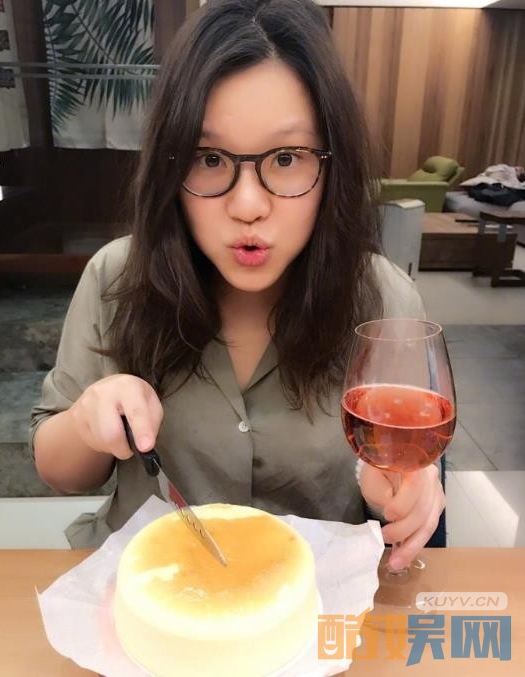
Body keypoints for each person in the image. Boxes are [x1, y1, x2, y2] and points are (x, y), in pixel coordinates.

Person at [31, 0, 445, 565]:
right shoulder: (116, 278)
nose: (248, 205)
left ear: (333, 165)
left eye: (286, 158)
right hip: (150, 591)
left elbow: (402, 475)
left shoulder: (384, 299)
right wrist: (86, 422)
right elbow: (60, 473)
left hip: (311, 599)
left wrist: (405, 491)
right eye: (208, 158)